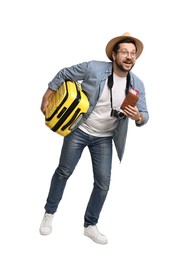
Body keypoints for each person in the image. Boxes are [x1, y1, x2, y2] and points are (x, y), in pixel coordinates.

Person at [39, 32, 149, 244]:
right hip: (79, 130)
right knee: (63, 172)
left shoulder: (137, 85)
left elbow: (145, 115)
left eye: (133, 53)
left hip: (105, 138)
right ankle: (49, 214)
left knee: (103, 184)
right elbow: (64, 73)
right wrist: (47, 96)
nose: (129, 57)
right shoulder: (94, 68)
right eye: (125, 52)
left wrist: (139, 117)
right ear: (114, 54)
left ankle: (90, 225)